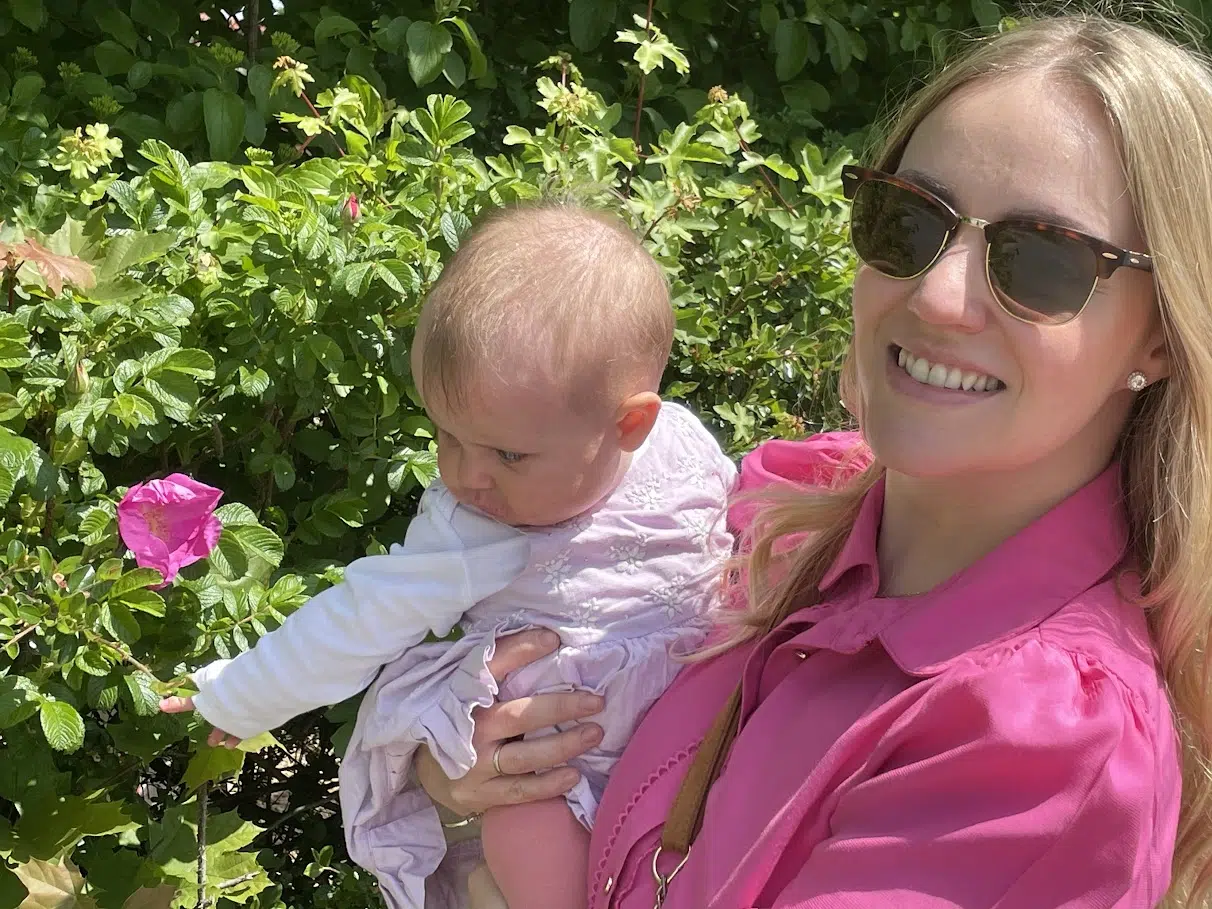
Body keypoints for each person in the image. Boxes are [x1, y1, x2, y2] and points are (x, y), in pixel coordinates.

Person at [413, 11, 1212, 908]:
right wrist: (458, 769)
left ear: (1160, 335)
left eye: (1041, 262)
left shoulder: (1044, 750)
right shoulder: (779, 507)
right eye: (910, 219)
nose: (936, 295)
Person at [159, 205, 738, 909]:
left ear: (631, 424)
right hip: (558, 764)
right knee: (526, 830)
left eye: (508, 455)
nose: (465, 474)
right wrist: (244, 695)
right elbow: (360, 618)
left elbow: (739, 532)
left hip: (702, 732)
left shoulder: (684, 448)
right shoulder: (472, 527)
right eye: (447, 435)